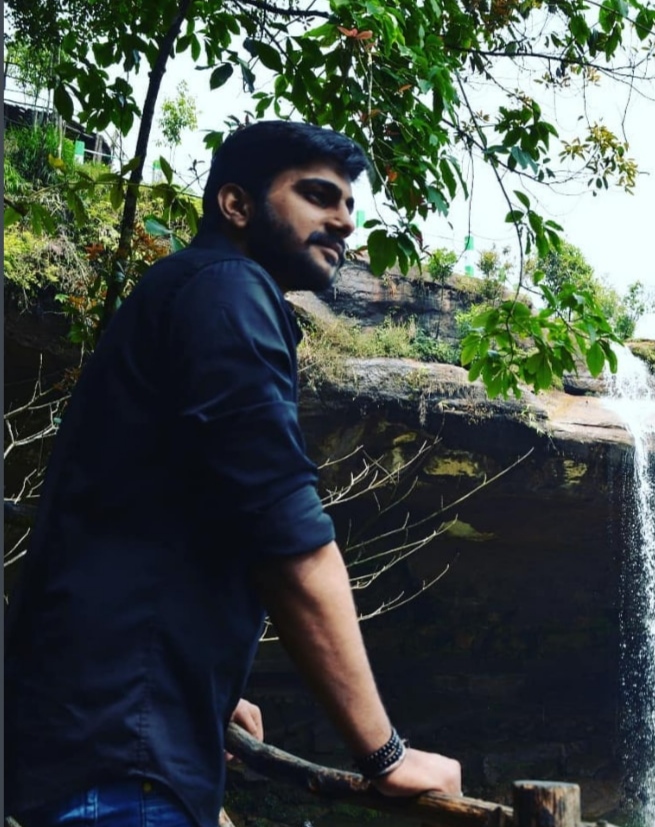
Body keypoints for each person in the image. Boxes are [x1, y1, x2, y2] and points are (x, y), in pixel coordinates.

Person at [4, 121, 462, 827]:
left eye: (350, 205)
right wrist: (385, 754)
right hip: (123, 765)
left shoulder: (185, 291)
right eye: (318, 195)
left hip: (96, 742)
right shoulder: (227, 292)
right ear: (237, 205)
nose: (345, 220)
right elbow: (286, 539)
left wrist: (204, 692)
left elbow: (153, 524)